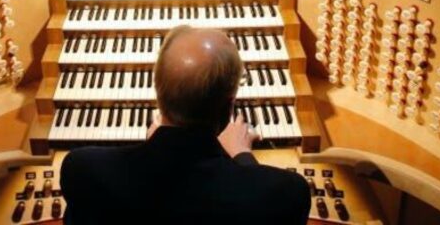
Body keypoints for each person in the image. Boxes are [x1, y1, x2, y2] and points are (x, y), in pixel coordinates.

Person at [60, 26, 311, 224]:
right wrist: (243, 157)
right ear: (229, 106)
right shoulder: (287, 194)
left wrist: (154, 148)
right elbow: (258, 194)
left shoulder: (82, 170)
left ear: (158, 94)